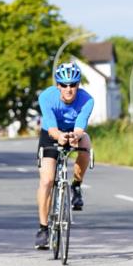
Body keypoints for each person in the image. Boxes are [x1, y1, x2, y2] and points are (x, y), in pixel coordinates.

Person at [34, 62, 94, 249]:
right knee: (47, 181)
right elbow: (51, 126)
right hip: (51, 134)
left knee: (86, 143)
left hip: (73, 132)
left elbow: (80, 125)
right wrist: (59, 136)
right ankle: (43, 228)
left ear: (78, 85)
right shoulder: (47, 97)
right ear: (58, 85)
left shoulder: (87, 100)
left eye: (73, 85)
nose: (69, 89)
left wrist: (74, 136)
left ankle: (76, 186)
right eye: (65, 85)